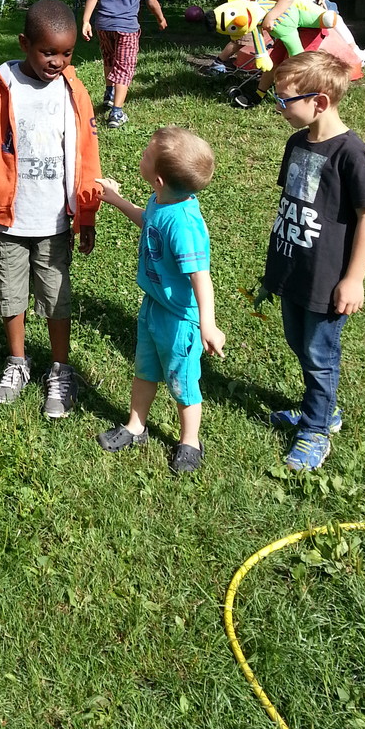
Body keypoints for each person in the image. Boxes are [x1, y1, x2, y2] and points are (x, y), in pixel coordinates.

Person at [0, 0, 101, 418]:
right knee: (10, 294)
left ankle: (60, 368)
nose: (57, 61)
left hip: (56, 221)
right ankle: (18, 362)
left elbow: (87, 156)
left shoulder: (74, 91)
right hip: (9, 219)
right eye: (48, 52)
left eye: (67, 53)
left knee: (57, 296)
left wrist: (88, 213)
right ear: (25, 43)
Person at [261, 51, 365, 471]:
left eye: (285, 99)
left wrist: (355, 279)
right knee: (299, 342)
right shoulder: (296, 143)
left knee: (319, 352)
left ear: (320, 102)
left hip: (327, 278)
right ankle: (322, 408)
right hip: (295, 266)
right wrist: (275, 265)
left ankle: (315, 429)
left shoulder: (353, 154)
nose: (279, 108)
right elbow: (292, 203)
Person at [96, 127, 224, 474]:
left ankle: (189, 441)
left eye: (145, 155)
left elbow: (201, 277)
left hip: (180, 320)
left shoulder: (184, 225)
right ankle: (136, 427)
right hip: (153, 307)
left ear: (157, 178)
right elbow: (147, 220)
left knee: (183, 382)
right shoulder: (162, 202)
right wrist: (116, 200)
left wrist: (207, 325)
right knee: (145, 371)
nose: (140, 155)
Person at [80, 0, 167, 128]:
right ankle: (116, 113)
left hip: (103, 25)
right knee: (124, 67)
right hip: (126, 28)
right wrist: (160, 18)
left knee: (109, 59)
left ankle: (109, 93)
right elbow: (152, 2)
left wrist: (86, 20)